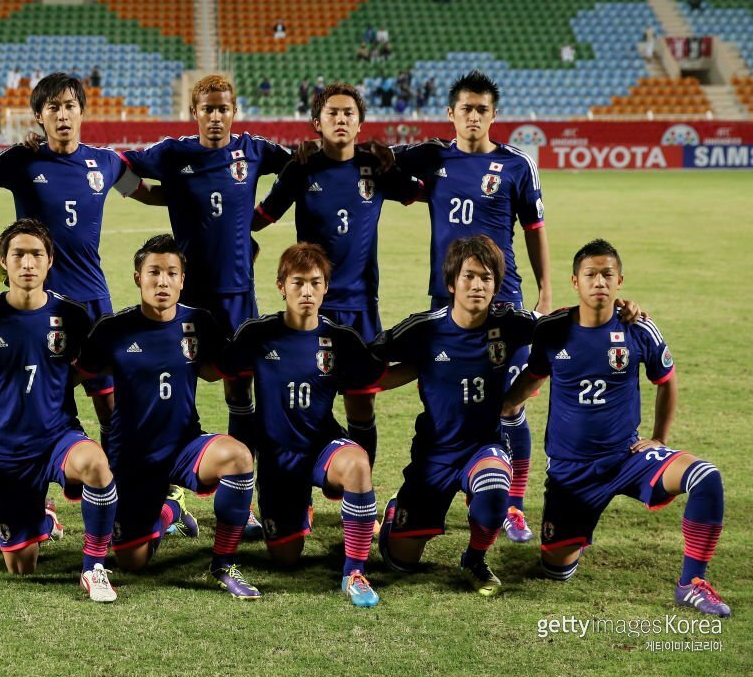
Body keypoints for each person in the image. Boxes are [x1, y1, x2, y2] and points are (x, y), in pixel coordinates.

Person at [502, 239, 730, 617]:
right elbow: (532, 376)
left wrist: (659, 438)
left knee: (705, 476)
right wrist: (504, 406)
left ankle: (691, 583)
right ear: (575, 281)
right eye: (590, 274)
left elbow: (667, 380)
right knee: (556, 571)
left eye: (607, 275)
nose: (599, 282)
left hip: (626, 458)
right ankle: (569, 538)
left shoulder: (637, 327)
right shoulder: (553, 329)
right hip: (570, 472)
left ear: (619, 281)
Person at [120, 75, 292, 536]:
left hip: (237, 297)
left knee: (240, 392)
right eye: (207, 109)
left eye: (223, 108)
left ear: (234, 111)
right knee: (176, 394)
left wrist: (264, 215)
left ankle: (243, 502)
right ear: (194, 112)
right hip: (186, 298)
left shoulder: (254, 150)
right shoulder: (173, 153)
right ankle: (170, 496)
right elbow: (116, 165)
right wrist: (146, 193)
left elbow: (300, 168)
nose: (215, 116)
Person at [0, 72, 164, 439]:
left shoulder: (107, 164)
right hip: (39, 303)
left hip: (92, 299)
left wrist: (198, 191)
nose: (63, 114)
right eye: (53, 107)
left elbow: (147, 195)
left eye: (70, 105)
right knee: (40, 395)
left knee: (109, 402)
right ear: (39, 116)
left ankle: (116, 470)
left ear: (82, 111)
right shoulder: (20, 160)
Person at [394, 70, 550, 542]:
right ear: (451, 113)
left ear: (494, 115)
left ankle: (514, 505)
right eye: (466, 108)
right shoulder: (433, 159)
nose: (474, 116)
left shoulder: (517, 165)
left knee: (508, 405)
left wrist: (545, 293)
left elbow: (535, 231)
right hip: (446, 301)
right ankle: (456, 482)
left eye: (483, 109)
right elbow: (383, 169)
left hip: (503, 302)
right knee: (448, 402)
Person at [0, 219, 119, 602]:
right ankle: (42, 520)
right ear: (4, 261)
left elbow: (93, 366)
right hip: (8, 451)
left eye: (36, 254)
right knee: (21, 566)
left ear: (50, 261)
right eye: (18, 255)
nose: (27, 263)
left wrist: (60, 382)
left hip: (59, 436)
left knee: (96, 464)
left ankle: (94, 568)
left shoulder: (73, 316)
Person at [75, 235, 261, 598]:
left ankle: (223, 564)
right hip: (133, 458)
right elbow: (73, 376)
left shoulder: (199, 322)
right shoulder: (113, 330)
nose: (163, 281)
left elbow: (216, 371)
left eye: (171, 273)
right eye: (154, 272)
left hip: (184, 445)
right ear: (137, 278)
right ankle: (171, 508)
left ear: (182, 280)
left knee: (239, 457)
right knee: (133, 561)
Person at [253, 83, 421, 466]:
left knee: (361, 403)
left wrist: (395, 160)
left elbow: (426, 192)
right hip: (311, 307)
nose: (341, 119)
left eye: (349, 113)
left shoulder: (376, 167)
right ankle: (308, 482)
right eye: (332, 113)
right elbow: (262, 216)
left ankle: (358, 490)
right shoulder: (302, 167)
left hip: (360, 305)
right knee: (308, 401)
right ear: (317, 122)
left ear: (360, 123)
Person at [218, 244, 395, 607]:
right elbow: (225, 374)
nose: (307, 291)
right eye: (298, 282)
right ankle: (298, 512)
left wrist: (435, 363)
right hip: (277, 460)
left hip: (322, 448)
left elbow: (377, 379)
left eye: (315, 282)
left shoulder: (341, 339)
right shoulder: (257, 334)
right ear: (281, 286)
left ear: (326, 287)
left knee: (357, 464)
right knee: (285, 558)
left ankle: (354, 572)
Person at [373, 236, 533, 596]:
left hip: (483, 447)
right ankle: (396, 513)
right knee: (400, 563)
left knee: (495, 487)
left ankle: (474, 559)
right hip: (434, 455)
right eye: (469, 276)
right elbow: (368, 358)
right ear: (451, 283)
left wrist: (622, 313)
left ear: (497, 285)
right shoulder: (424, 328)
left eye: (486, 278)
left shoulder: (510, 322)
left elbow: (566, 327)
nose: (477, 285)